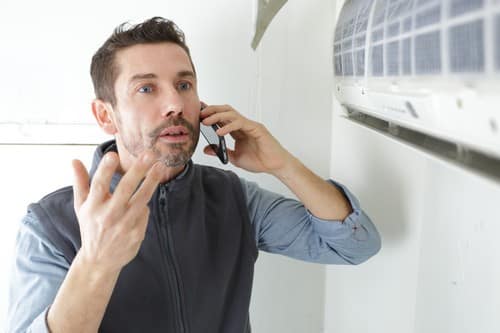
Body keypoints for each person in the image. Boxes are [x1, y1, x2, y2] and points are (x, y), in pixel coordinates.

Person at [7, 17, 381, 333]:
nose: (174, 104)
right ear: (106, 115)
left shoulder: (233, 197)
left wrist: (281, 164)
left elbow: (354, 245)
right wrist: (96, 263)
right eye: (146, 88)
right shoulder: (48, 226)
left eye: (184, 85)